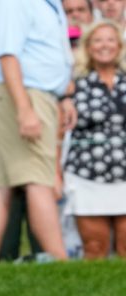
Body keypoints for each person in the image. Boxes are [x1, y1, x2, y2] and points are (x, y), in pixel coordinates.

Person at [0, 0, 76, 264]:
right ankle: (60, 260)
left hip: (34, 94)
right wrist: (24, 108)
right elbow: (8, 55)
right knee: (38, 180)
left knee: (3, 182)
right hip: (23, 95)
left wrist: (63, 95)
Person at [65, 21, 126, 258]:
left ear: (119, 46)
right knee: (94, 248)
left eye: (110, 40)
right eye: (98, 40)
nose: (104, 46)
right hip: (86, 175)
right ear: (88, 47)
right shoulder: (74, 83)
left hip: (125, 175)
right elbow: (61, 128)